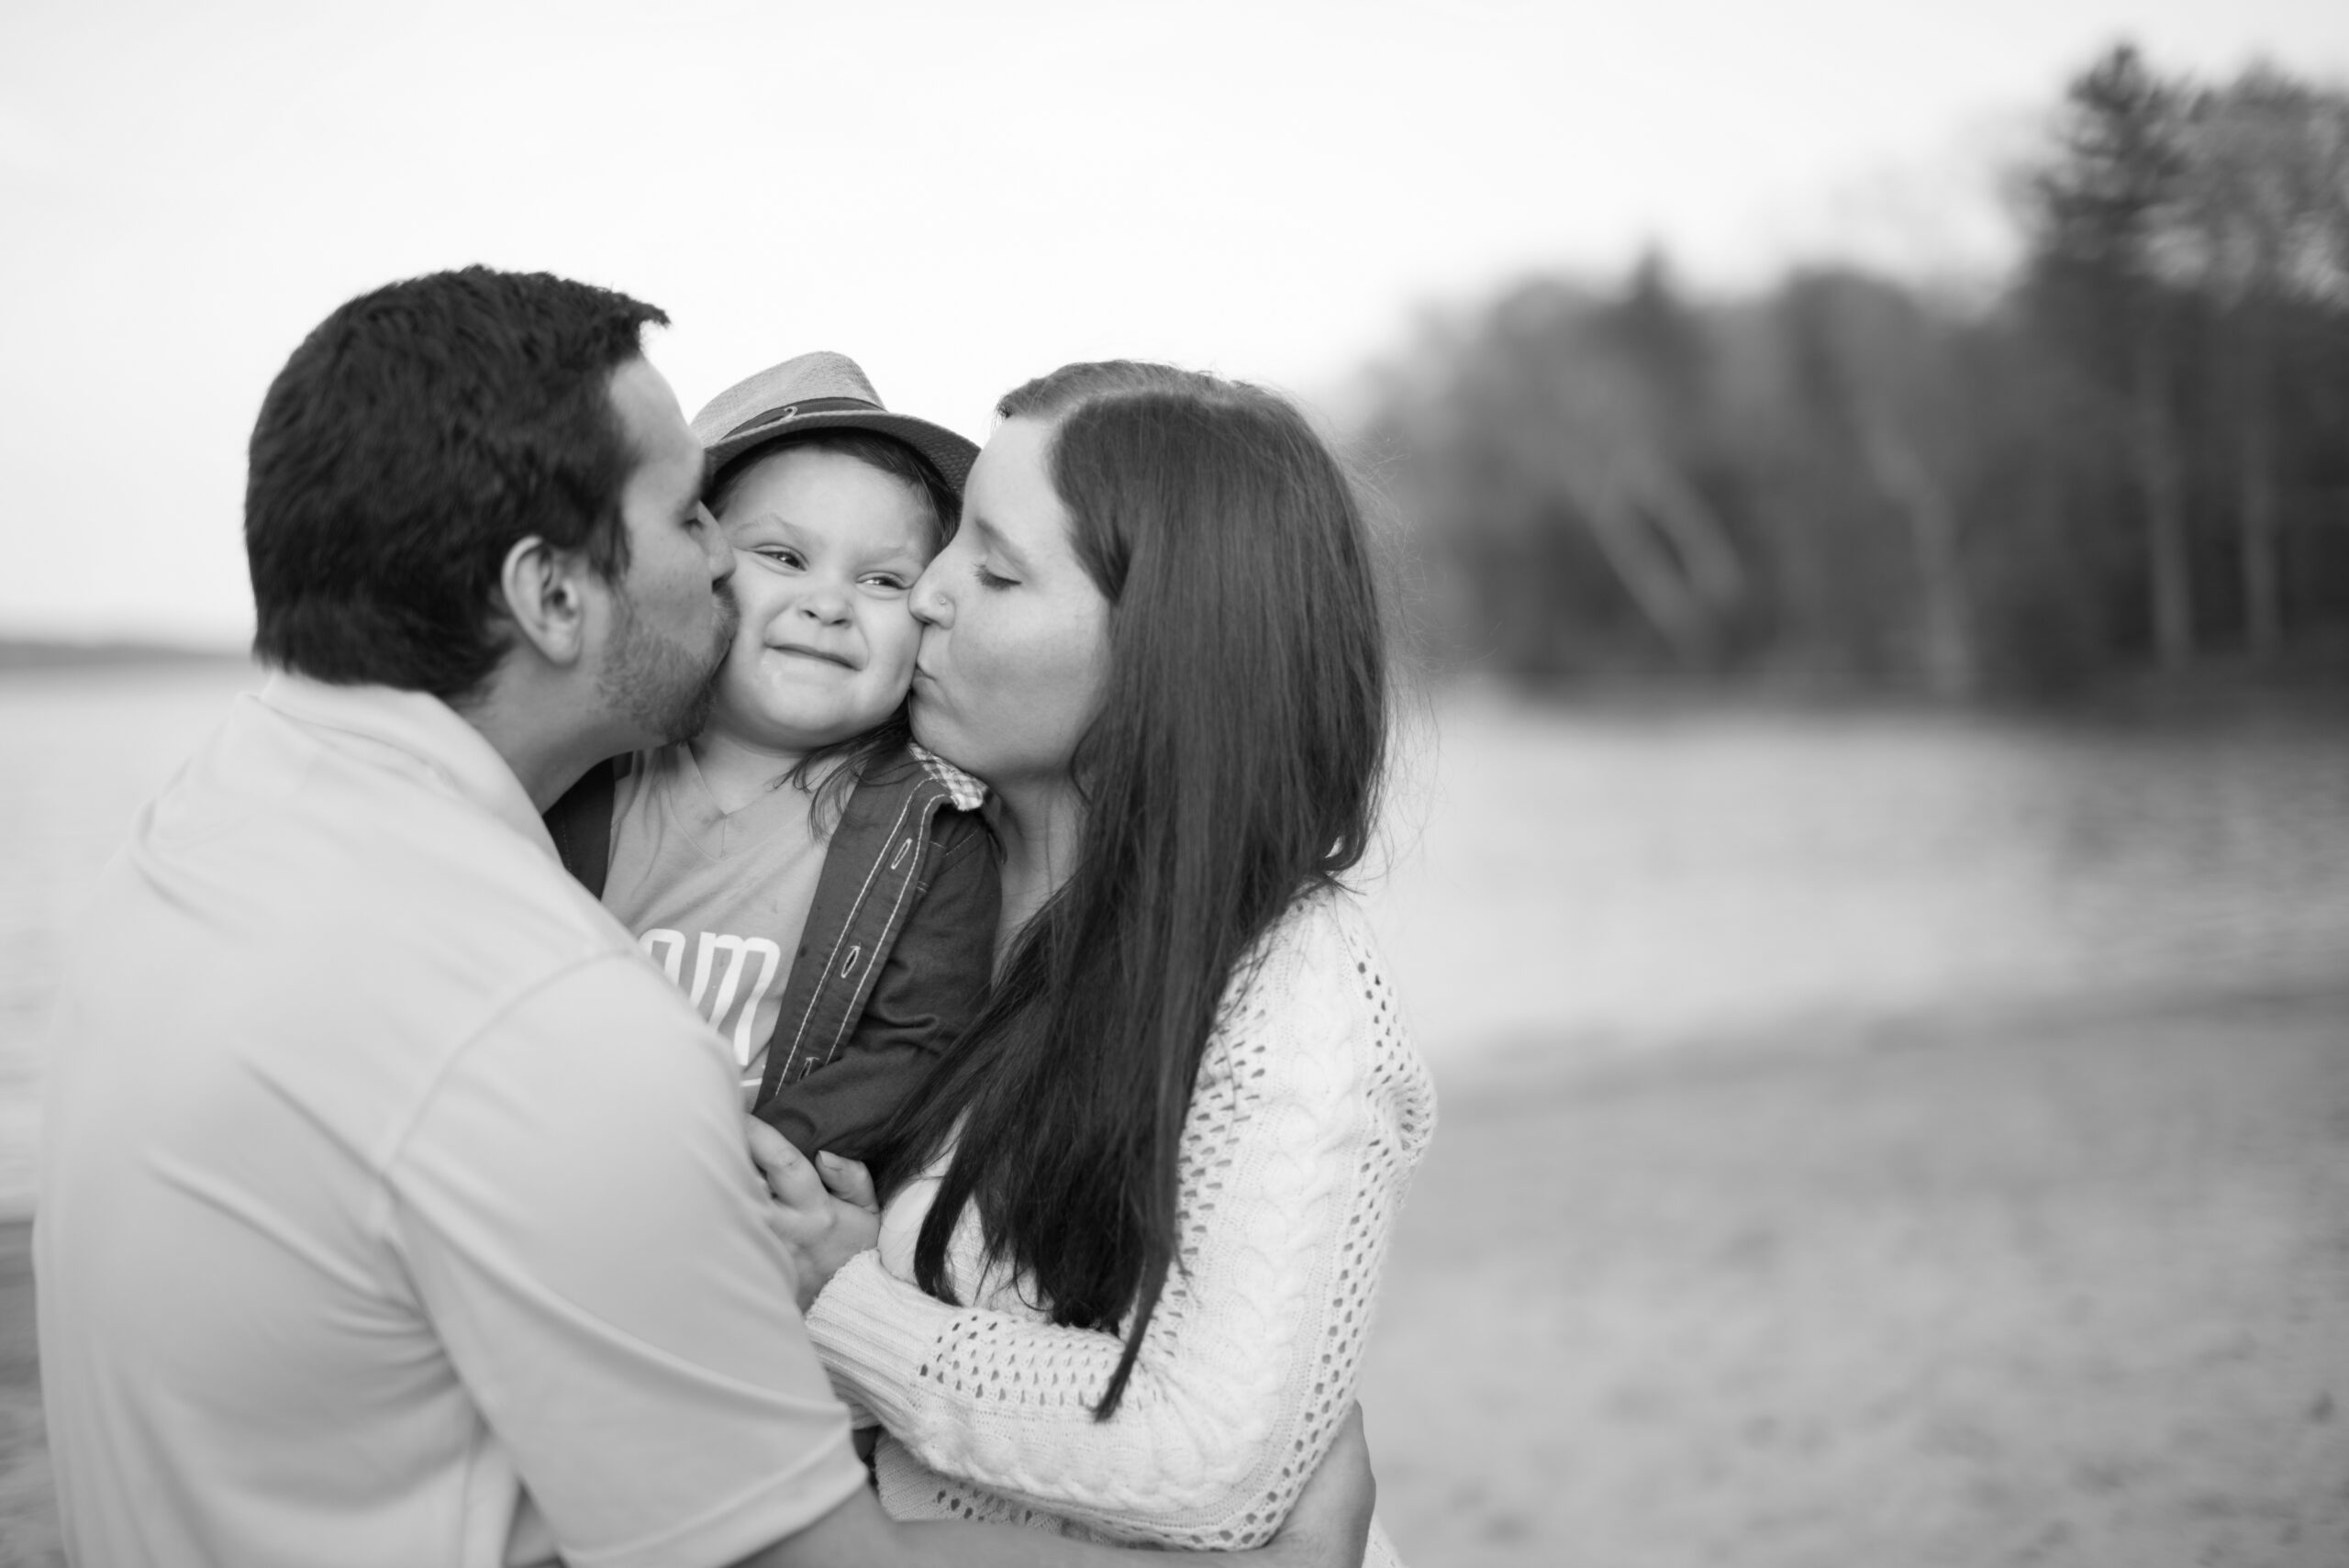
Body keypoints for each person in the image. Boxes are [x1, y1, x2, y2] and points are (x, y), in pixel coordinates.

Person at [33, 270, 1376, 1568]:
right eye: (698, 523)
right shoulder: (551, 1019)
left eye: (976, 563)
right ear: (553, 596)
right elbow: (793, 1555)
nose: (744, 576)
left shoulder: (196, 838)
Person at [765, 361, 1435, 1563]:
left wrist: (844, 1305)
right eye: (952, 541)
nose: (923, 592)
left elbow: (1207, 1454)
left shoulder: (1288, 993)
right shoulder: (899, 870)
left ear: (1169, 654)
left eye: (998, 569)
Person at [546, 351, 996, 1184]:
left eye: (884, 579)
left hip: (740, 1209)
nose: (830, 603)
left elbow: (911, 1050)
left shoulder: (931, 830)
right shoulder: (580, 770)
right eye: (785, 558)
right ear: (698, 562)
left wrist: (728, 1162)